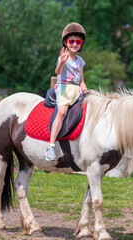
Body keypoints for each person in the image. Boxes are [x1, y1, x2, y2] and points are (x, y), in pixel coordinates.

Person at [45, 22, 88, 161]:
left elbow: (81, 81)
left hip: (76, 89)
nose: (74, 44)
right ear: (65, 42)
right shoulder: (63, 57)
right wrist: (62, 62)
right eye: (71, 41)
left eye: (78, 42)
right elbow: (57, 71)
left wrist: (86, 91)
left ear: (81, 44)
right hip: (64, 88)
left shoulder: (80, 61)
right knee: (62, 112)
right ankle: (51, 146)